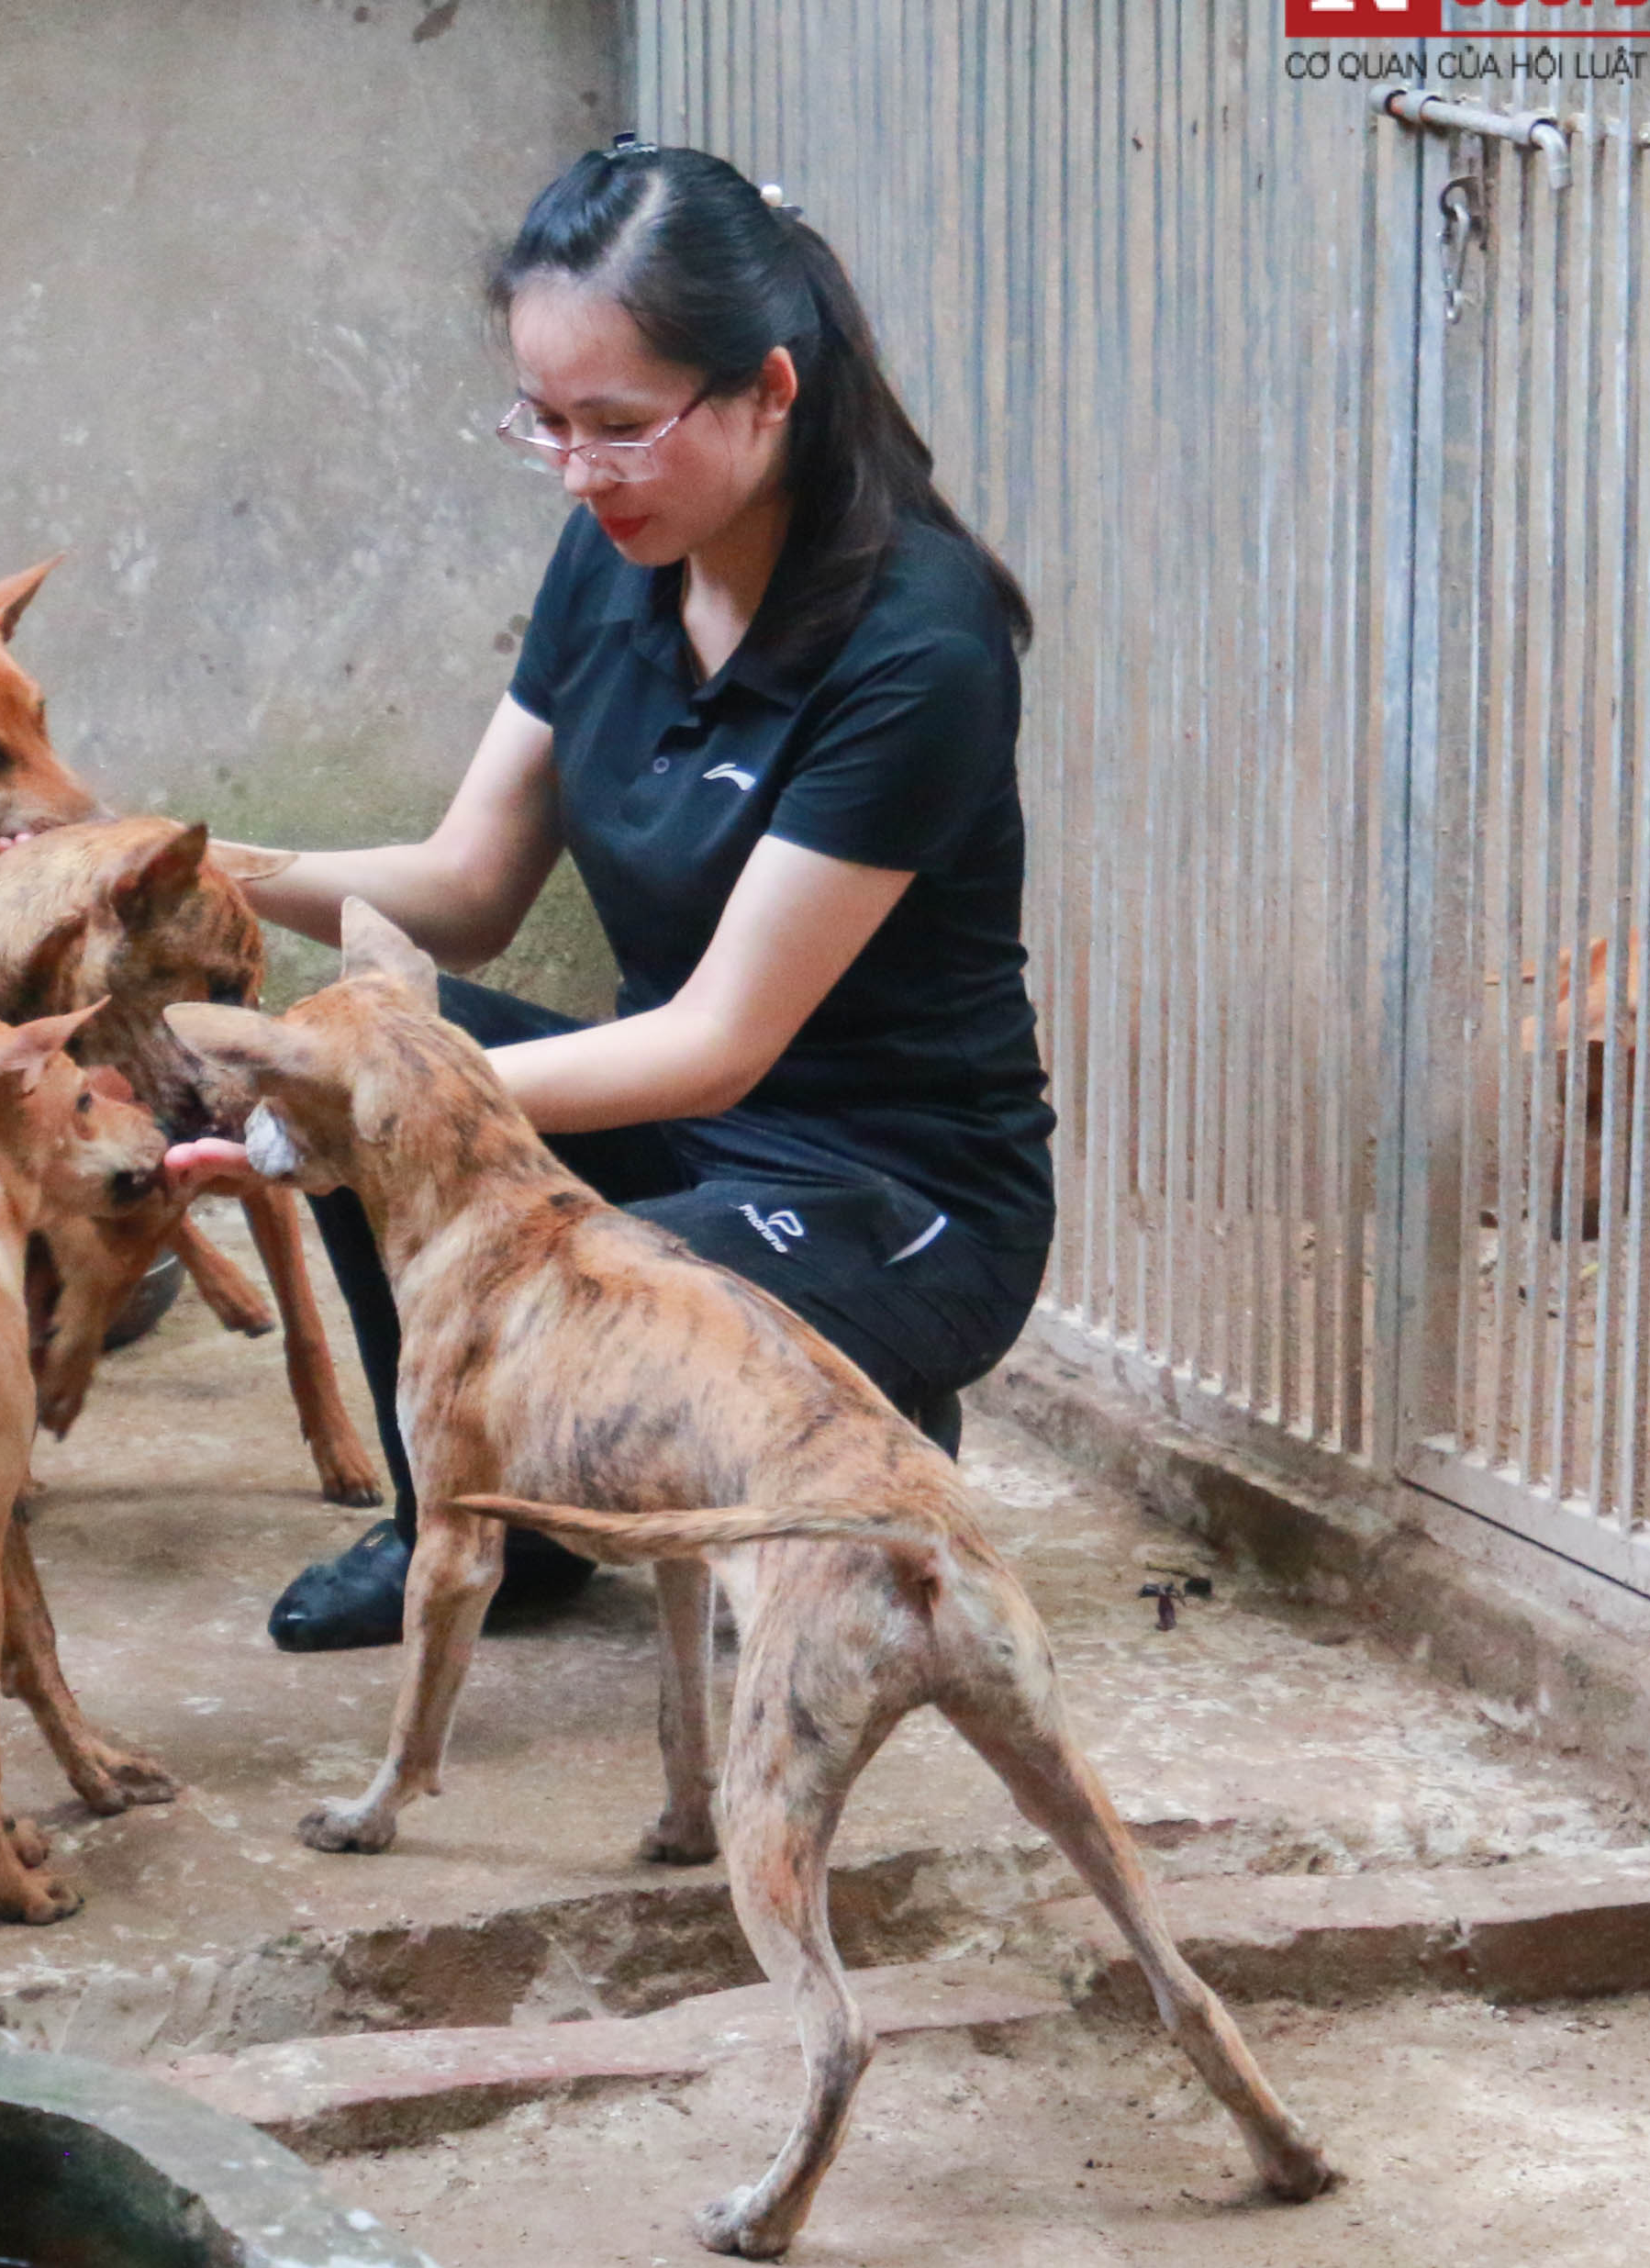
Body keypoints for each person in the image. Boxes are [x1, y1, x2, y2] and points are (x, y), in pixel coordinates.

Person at [175, 135, 1055, 1652]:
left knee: (552, 1228)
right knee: (387, 1025)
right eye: (545, 422)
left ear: (770, 389)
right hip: (686, 1133)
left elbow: (720, 1040)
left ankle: (865, 1413)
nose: (580, 473)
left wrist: (358, 1103)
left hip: (889, 1190)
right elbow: (459, 892)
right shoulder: (612, 557)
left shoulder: (917, 642)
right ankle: (469, 1530)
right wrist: (186, 862)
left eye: (621, 426)